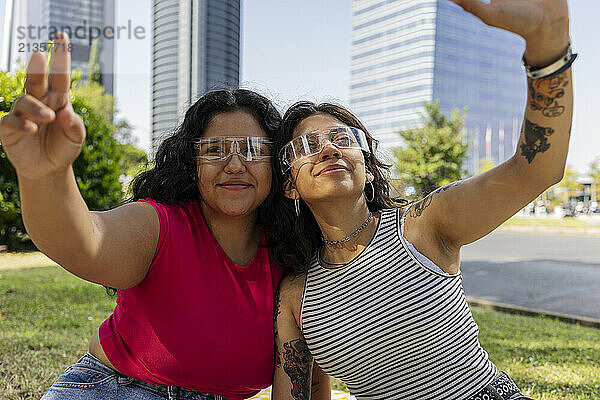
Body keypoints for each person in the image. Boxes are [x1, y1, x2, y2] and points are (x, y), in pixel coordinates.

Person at [270, 0, 574, 399]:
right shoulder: (295, 296)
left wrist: (548, 51)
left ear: (365, 162)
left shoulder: (423, 224)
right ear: (289, 185)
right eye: (308, 146)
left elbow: (536, 170)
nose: (329, 150)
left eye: (343, 139)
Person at [0, 32, 308, 400]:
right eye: (214, 150)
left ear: (276, 163)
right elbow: (85, 242)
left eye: (254, 149)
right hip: (116, 390)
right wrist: (45, 177)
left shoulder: (289, 250)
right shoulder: (161, 224)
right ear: (191, 164)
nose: (235, 164)